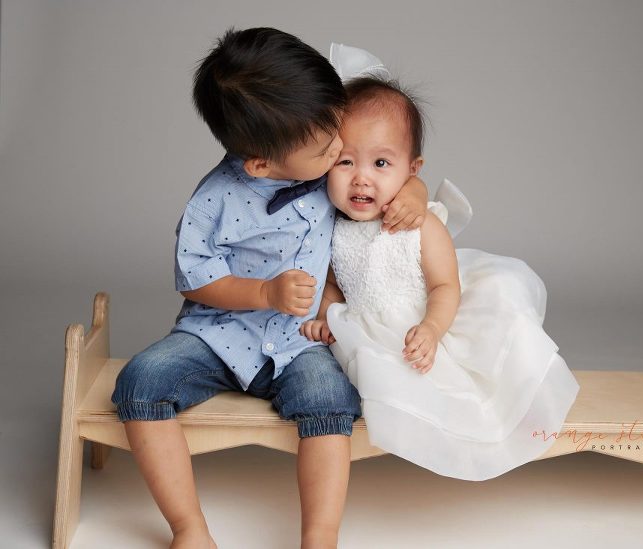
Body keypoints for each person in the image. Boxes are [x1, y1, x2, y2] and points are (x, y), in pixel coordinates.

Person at [110, 28, 428, 549]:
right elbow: (197, 275)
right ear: (259, 163)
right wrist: (263, 294)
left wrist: (411, 187)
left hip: (303, 337)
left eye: (338, 138)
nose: (340, 150)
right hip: (218, 332)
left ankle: (320, 535)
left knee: (331, 398)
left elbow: (388, 161)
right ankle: (189, 528)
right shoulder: (215, 199)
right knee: (140, 382)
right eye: (329, 148)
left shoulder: (328, 162)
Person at [301, 74, 581, 482]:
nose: (361, 178)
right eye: (346, 161)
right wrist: (326, 315)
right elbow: (333, 284)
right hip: (368, 328)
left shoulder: (421, 224)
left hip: (428, 320)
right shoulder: (333, 230)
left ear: (412, 170)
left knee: (462, 391)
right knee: (373, 383)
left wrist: (431, 329)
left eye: (381, 163)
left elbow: (445, 286)